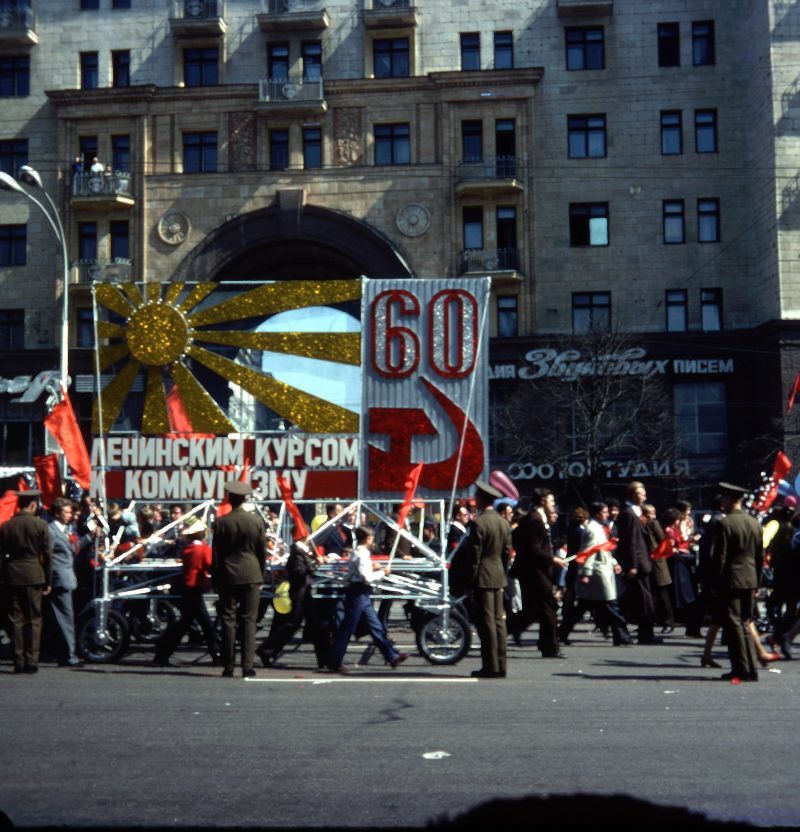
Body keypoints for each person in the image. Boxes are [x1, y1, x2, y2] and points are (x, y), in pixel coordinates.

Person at [326, 525, 408, 672]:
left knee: (375, 627)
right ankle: (334, 661)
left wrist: (373, 566)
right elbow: (366, 578)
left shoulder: (358, 553)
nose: (373, 541)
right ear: (368, 539)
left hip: (359, 593)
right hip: (358, 593)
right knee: (348, 629)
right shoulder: (362, 554)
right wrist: (382, 572)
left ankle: (392, 656)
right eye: (371, 538)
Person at [212, 480, 267, 678]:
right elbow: (262, 552)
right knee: (249, 620)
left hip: (228, 575)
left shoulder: (220, 522)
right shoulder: (256, 521)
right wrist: (261, 574)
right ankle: (247, 665)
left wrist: (215, 579)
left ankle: (228, 665)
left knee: (228, 620)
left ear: (229, 498)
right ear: (245, 498)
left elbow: (216, 555)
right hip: (252, 573)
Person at [712, 482, 764, 683]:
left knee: (733, 625)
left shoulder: (725, 524)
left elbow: (720, 557)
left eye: (723, 499)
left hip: (731, 580)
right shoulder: (754, 523)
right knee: (744, 623)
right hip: (750, 579)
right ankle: (750, 668)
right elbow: (760, 556)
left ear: (728, 500)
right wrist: (758, 582)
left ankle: (741, 669)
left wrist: (715, 583)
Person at [153, 518, 220, 667]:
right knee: (206, 625)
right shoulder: (204, 550)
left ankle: (162, 652)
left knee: (185, 624)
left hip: (187, 589)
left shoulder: (188, 550)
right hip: (195, 590)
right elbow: (210, 565)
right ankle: (216, 654)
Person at [508, 488, 566, 658]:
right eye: (551, 501)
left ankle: (507, 629)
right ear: (542, 501)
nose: (553, 505)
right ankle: (550, 647)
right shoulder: (535, 518)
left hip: (536, 571)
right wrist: (553, 559)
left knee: (533, 610)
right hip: (535, 573)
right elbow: (533, 548)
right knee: (548, 608)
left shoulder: (538, 518)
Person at [0, 490, 52, 674]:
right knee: (35, 619)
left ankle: (19, 660)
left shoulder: (7, 526)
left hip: (12, 575)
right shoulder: (40, 525)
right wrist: (48, 580)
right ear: (33, 505)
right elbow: (47, 554)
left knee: (16, 620)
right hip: (34, 575)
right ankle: (32, 660)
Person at [257, 537, 329, 669]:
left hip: (303, 593)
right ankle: (266, 650)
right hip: (299, 594)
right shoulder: (297, 553)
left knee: (311, 626)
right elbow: (300, 572)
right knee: (295, 625)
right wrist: (315, 565)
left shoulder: (300, 553)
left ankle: (324, 659)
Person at [466, 480, 513, 678]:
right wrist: (502, 571)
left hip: (483, 577)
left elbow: (474, 558)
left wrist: (470, 580)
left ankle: (490, 666)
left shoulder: (479, 523)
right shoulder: (503, 523)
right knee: (499, 622)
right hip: (498, 575)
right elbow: (507, 553)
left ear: (480, 499)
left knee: (487, 623)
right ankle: (501, 665)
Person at [616, 480, 659, 644]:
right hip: (638, 564)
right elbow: (630, 541)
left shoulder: (637, 512)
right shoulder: (628, 514)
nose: (645, 496)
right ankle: (645, 634)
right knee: (643, 600)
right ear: (633, 494)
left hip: (643, 562)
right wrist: (632, 565)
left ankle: (644, 631)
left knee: (642, 599)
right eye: (641, 493)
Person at [46, 497, 82, 666]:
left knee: (63, 618)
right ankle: (69, 656)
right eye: (66, 512)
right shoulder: (51, 531)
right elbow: (47, 556)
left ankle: (63, 652)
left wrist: (90, 537)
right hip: (59, 579)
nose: (70, 515)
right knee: (65, 619)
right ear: (57, 513)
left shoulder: (66, 529)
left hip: (67, 578)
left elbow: (73, 549)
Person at [642, 504, 674, 635]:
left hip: (657, 562)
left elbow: (662, 539)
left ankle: (668, 622)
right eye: (649, 512)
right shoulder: (642, 523)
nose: (652, 515)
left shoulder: (653, 523)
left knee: (662, 594)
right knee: (651, 595)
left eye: (653, 512)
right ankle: (651, 621)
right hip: (648, 561)